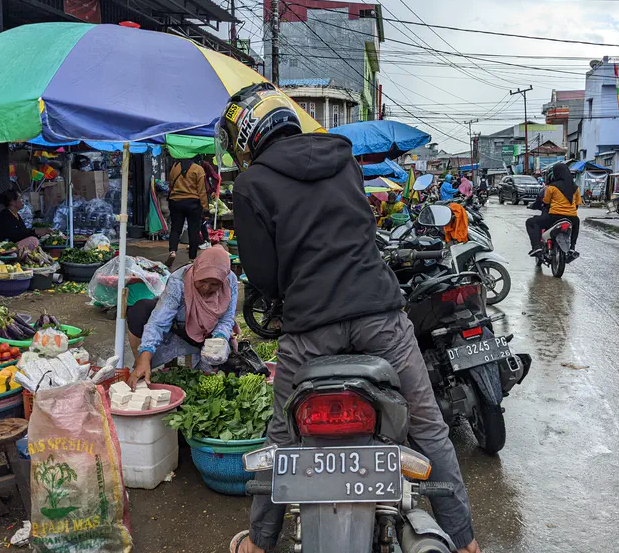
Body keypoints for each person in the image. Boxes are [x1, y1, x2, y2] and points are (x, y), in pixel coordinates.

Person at [221, 83, 479, 553]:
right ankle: (463, 541)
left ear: (246, 137)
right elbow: (364, 225)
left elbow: (261, 274)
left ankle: (259, 542)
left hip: (309, 325)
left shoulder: (252, 183)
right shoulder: (344, 159)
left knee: (284, 434)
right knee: (425, 423)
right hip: (379, 311)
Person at [126, 245, 237, 388]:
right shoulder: (179, 280)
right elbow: (159, 321)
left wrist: (219, 338)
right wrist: (145, 356)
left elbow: (227, 318)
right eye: (202, 281)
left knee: (218, 376)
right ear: (196, 270)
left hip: (210, 331)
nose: (206, 288)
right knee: (141, 312)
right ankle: (145, 365)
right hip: (180, 328)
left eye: (214, 284)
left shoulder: (230, 281)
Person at [525, 162, 581, 256]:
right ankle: (572, 248)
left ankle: (537, 247)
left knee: (531, 222)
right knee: (577, 222)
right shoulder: (575, 188)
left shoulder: (552, 187)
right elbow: (577, 204)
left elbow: (546, 202)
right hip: (572, 218)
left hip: (554, 217)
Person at [166, 155, 208, 267]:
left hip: (175, 201)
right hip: (193, 203)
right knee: (193, 230)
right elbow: (202, 191)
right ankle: (192, 258)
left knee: (175, 229)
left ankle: (172, 251)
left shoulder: (175, 167)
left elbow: (170, 184)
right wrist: (205, 207)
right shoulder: (198, 169)